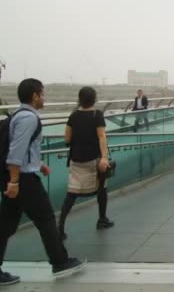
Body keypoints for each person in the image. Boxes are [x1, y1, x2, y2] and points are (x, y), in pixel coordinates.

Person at [0, 79, 84, 288]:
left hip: (19, 177)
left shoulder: (18, 115)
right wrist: (15, 181)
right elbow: (16, 152)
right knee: (45, 219)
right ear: (35, 96)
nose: (44, 98)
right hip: (23, 181)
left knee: (5, 226)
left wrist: (39, 164)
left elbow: (24, 150)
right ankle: (59, 261)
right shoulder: (28, 118)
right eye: (42, 94)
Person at [58, 87, 114, 241]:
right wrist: (104, 157)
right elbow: (102, 136)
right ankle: (102, 219)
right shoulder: (97, 115)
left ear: (80, 99)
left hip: (76, 159)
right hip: (94, 159)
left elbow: (67, 139)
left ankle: (60, 226)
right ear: (94, 99)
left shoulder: (74, 116)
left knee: (72, 193)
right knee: (102, 188)